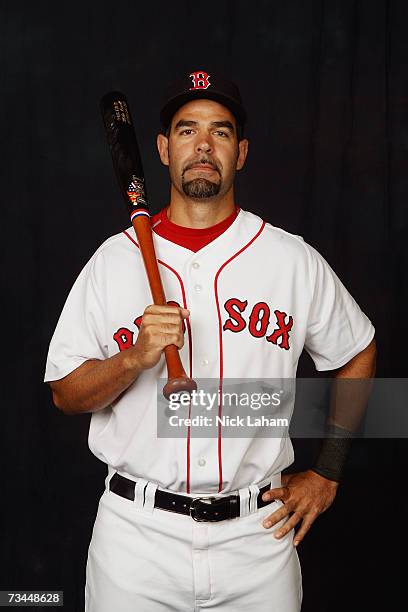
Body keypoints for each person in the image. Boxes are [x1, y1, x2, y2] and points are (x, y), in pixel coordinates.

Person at [44, 70, 376, 612]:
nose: (203, 145)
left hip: (257, 540)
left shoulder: (291, 260)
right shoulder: (113, 261)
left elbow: (358, 350)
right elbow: (64, 394)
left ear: (240, 152)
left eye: (220, 132)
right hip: (136, 540)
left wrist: (328, 471)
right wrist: (134, 358)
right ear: (162, 149)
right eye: (186, 130)